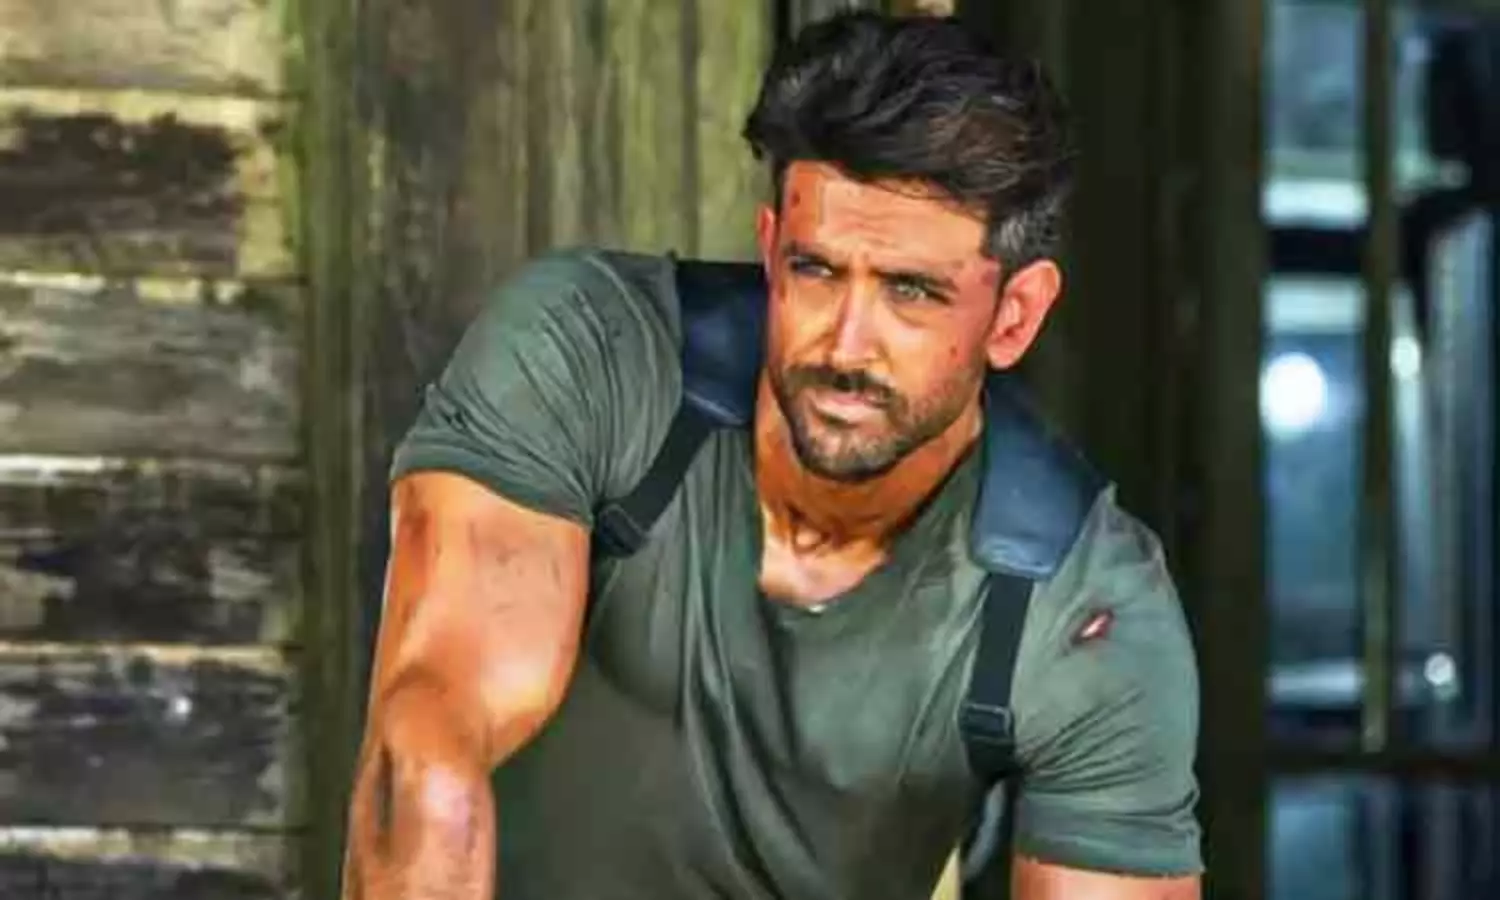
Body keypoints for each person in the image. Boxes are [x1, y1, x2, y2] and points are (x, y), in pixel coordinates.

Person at [342, 11, 1202, 900]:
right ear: (769, 251)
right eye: (816, 270)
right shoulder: (591, 354)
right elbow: (427, 760)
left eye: (912, 292)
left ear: (1014, 317)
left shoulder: (1085, 605)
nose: (846, 344)